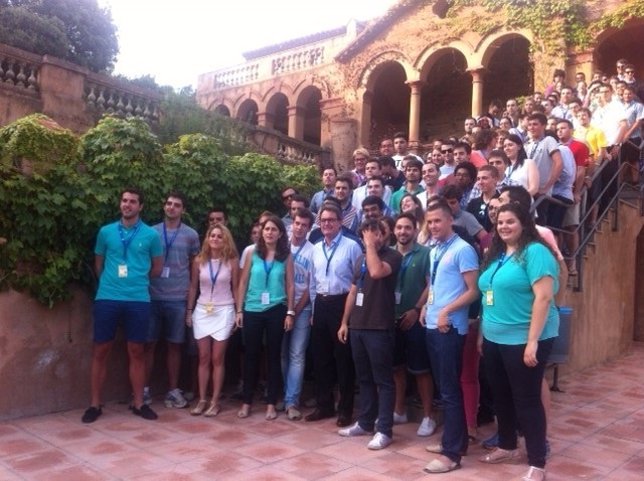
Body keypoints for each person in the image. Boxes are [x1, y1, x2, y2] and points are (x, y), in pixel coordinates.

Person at [477, 202, 559, 481]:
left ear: (524, 223)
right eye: (500, 222)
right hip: (494, 337)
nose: (503, 227)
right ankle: (507, 445)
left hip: (524, 338)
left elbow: (544, 297)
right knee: (501, 395)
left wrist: (532, 341)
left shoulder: (535, 252)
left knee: (527, 400)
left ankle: (537, 463)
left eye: (510, 221)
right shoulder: (498, 253)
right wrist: (482, 334)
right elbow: (488, 295)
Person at [82, 188, 163, 423]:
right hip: (107, 298)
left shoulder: (150, 235)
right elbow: (99, 264)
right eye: (124, 201)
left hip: (138, 300)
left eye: (133, 202)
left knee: (137, 351)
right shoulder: (106, 232)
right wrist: (112, 283)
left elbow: (156, 268)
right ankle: (95, 405)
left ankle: (139, 403)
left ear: (141, 206)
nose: (127, 205)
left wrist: (136, 279)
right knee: (100, 351)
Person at [422, 199, 479, 474]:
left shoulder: (463, 250)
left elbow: (473, 290)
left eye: (437, 221)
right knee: (444, 390)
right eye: (429, 221)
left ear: (449, 221)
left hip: (450, 328)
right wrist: (425, 307)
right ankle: (453, 440)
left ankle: (452, 454)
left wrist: (446, 311)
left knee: (450, 390)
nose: (433, 226)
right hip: (433, 324)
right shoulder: (435, 249)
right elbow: (435, 283)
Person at [337, 218, 402, 450]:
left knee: (383, 380)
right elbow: (353, 292)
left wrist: (371, 246)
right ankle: (365, 422)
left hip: (379, 327)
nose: (371, 235)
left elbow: (376, 272)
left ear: (385, 234)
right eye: (366, 231)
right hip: (358, 326)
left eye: (376, 231)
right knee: (363, 378)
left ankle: (384, 430)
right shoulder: (359, 259)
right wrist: (345, 322)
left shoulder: (393, 256)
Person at [305, 204, 362, 427]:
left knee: (344, 359)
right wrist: (312, 308)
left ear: (340, 222)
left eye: (331, 220)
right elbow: (312, 282)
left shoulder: (352, 247)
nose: (327, 224)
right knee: (321, 358)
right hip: (321, 303)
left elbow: (358, 282)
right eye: (323, 220)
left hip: (342, 303)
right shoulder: (316, 248)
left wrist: (351, 316)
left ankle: (345, 409)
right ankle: (324, 405)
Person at [145, 192, 200, 409]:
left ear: (183, 210)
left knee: (174, 346)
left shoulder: (191, 235)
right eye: (168, 203)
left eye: (177, 205)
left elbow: (194, 265)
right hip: (152, 296)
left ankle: (173, 390)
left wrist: (190, 298)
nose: (172, 207)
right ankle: (144, 389)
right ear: (164, 206)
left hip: (178, 298)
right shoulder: (151, 233)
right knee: (148, 345)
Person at [236, 216, 295, 420]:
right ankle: (247, 402)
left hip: (276, 309)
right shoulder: (251, 252)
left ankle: (271, 402)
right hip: (252, 309)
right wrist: (239, 310)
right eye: (267, 229)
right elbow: (243, 283)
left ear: (280, 234)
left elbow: (290, 285)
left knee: (273, 356)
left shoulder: (285, 255)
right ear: (262, 232)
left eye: (274, 229)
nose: (269, 232)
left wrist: (290, 312)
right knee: (251, 356)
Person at [186, 224, 239, 417]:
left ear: (226, 239)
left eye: (220, 236)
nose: (215, 239)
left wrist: (238, 311)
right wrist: (189, 310)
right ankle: (202, 399)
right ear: (207, 239)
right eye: (212, 235)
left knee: (218, 358)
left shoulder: (232, 261)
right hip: (202, 311)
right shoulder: (199, 260)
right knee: (203, 357)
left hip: (224, 310)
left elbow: (236, 287)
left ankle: (215, 401)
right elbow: (193, 287)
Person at [391, 213, 437, 437]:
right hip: (392, 319)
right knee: (396, 368)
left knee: (421, 369)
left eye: (407, 228)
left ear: (415, 229)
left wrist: (416, 309)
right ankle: (399, 411)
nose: (402, 232)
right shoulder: (389, 254)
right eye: (399, 227)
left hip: (416, 319)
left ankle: (428, 417)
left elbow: (432, 285)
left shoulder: (426, 253)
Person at [281, 208, 315, 421]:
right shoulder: (281, 248)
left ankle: (292, 400)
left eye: (304, 225)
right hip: (280, 306)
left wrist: (295, 311)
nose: (300, 227)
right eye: (297, 223)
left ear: (309, 228)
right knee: (282, 354)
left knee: (296, 354)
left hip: (302, 308)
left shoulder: (314, 250)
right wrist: (287, 310)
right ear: (291, 224)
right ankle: (286, 395)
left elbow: (311, 286)